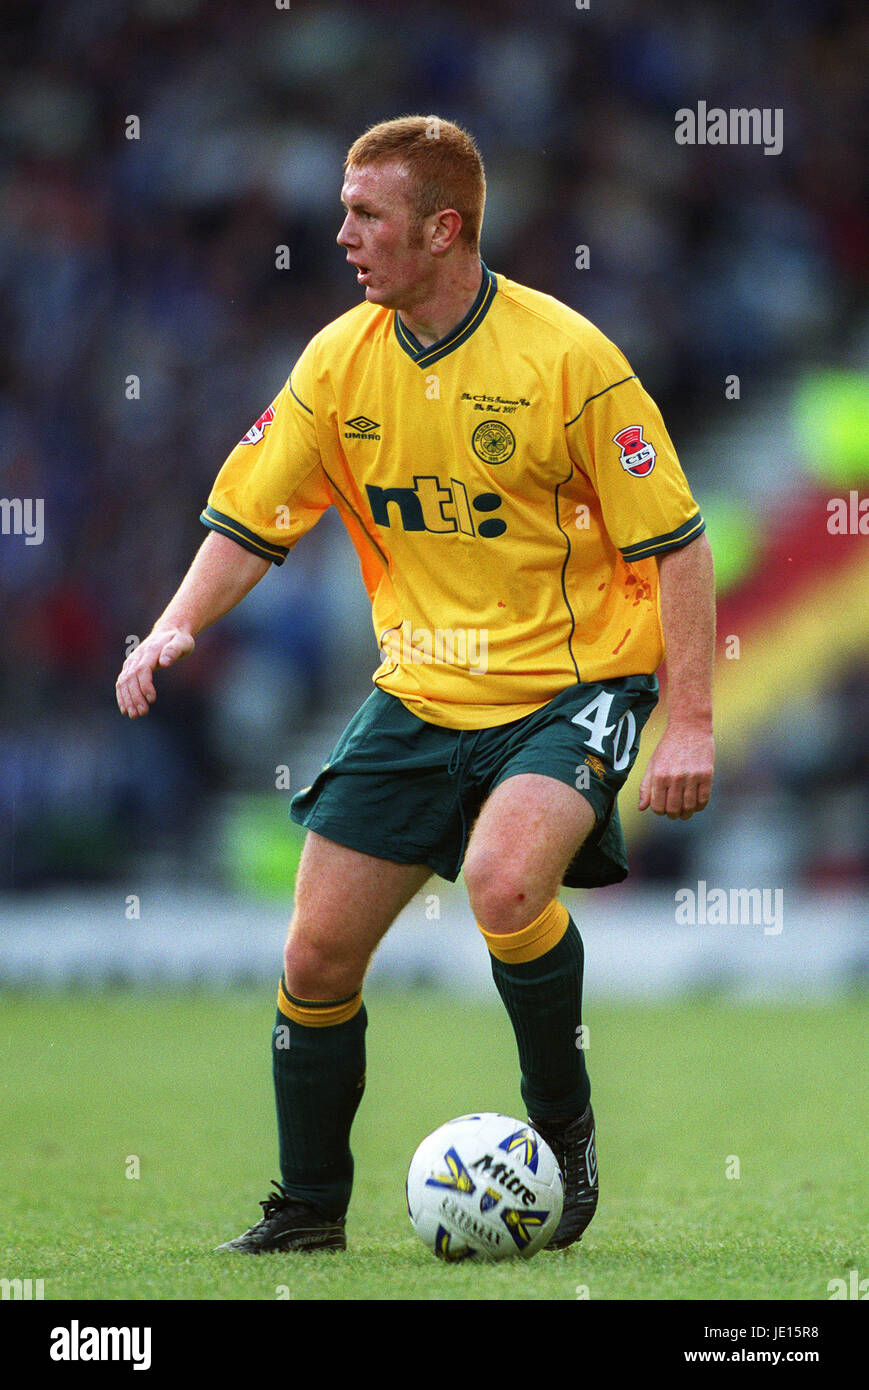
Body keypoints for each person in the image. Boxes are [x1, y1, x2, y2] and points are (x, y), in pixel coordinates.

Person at [115, 115, 715, 1255]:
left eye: (364, 214)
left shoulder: (569, 359)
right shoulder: (339, 360)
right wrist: (171, 626)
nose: (338, 232)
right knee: (314, 956)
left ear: (442, 229)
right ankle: (305, 1212)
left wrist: (687, 718)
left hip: (569, 683)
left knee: (500, 883)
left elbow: (675, 544)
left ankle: (562, 1132)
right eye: (342, 209)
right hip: (418, 693)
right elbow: (253, 516)